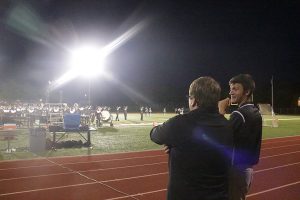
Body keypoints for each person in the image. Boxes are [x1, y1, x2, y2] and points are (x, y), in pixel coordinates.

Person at [150, 76, 233, 200]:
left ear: (194, 100)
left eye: (190, 97)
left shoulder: (179, 123)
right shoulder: (228, 126)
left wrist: (168, 139)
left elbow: (155, 136)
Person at [218, 74, 262, 200]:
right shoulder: (255, 112)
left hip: (236, 170)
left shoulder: (239, 114)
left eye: (235, 89)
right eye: (231, 88)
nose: (231, 92)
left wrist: (221, 111)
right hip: (247, 169)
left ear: (247, 91)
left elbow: (221, 136)